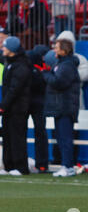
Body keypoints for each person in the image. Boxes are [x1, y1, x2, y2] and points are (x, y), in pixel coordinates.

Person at [43, 38, 80, 177]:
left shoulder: (67, 65)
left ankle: (68, 166)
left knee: (65, 139)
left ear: (64, 50)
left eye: (57, 47)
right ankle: (65, 165)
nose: (55, 50)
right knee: (61, 138)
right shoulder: (62, 64)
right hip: (60, 107)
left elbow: (59, 82)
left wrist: (45, 74)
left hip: (65, 107)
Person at [0, 36, 32, 176]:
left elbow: (15, 88)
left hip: (18, 108)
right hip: (9, 108)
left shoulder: (21, 65)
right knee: (7, 136)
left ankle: (21, 167)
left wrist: (3, 105)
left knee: (17, 137)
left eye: (5, 46)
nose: (3, 48)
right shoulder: (10, 63)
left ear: (12, 49)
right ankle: (9, 165)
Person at [26, 44, 51, 173]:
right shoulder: (37, 68)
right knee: (39, 133)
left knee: (39, 133)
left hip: (34, 103)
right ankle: (40, 164)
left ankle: (41, 164)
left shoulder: (42, 68)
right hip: (35, 103)